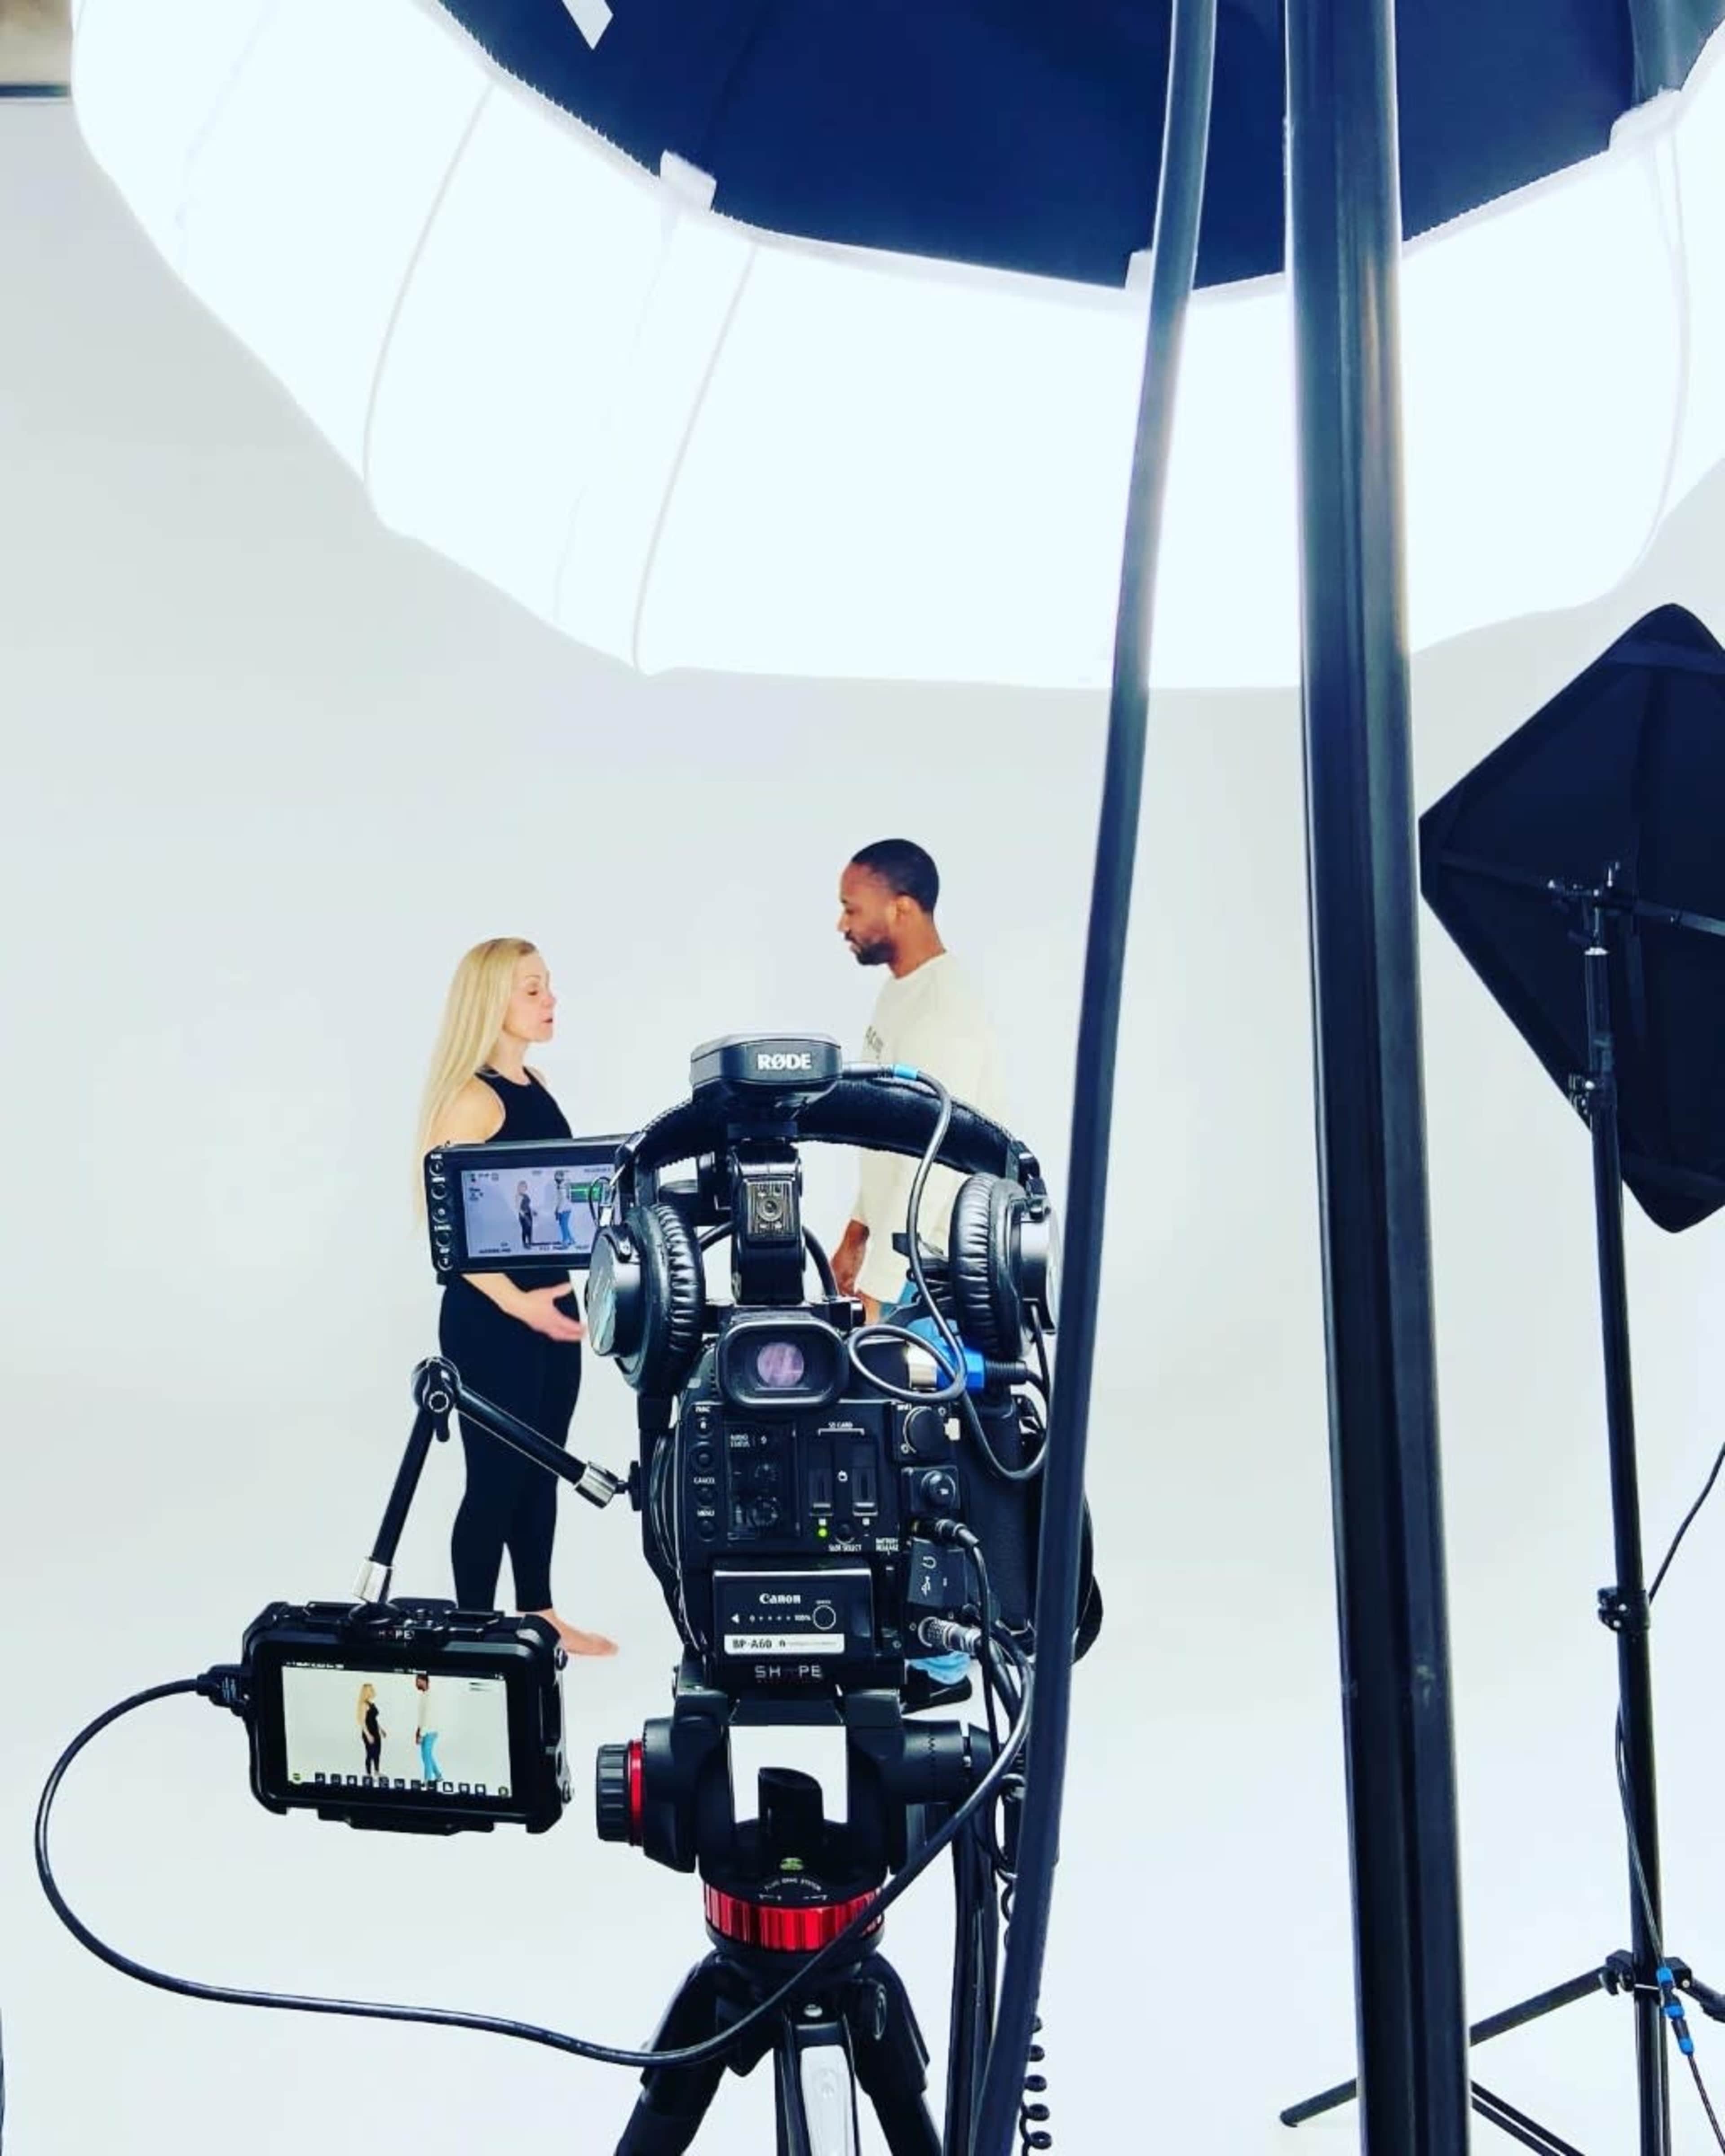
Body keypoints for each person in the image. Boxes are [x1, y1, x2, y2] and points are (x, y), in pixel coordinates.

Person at [416, 937, 618, 1659]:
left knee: (544, 1469)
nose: (551, 1001)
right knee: (495, 1480)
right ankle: (474, 1631)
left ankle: (540, 1612)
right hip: (492, 1322)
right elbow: (449, 1231)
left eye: (549, 987)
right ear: (492, 1002)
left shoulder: (534, 1084)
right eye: (533, 990)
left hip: (552, 1311)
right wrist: (520, 1304)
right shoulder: (472, 1098)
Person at [831, 840, 1004, 1320]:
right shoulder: (900, 991)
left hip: (930, 1274)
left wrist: (879, 1292)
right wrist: (855, 1236)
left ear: (900, 909)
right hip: (900, 1263)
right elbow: (886, 1136)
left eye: (852, 910)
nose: (842, 925)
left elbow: (933, 1164)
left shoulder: (945, 1011)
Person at [412, 1673, 442, 1785]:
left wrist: (422, 1734)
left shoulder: (430, 1696)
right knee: (427, 1755)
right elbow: (421, 1716)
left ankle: (428, 1781)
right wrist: (418, 1731)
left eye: (418, 1681)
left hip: (430, 1731)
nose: (416, 1684)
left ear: (424, 1681)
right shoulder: (424, 1695)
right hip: (425, 1730)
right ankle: (439, 1776)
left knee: (426, 1755)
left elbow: (428, 1717)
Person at [357, 1683, 385, 1782]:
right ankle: (368, 1775)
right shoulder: (363, 1705)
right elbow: (362, 1722)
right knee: (370, 1754)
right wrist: (368, 1735)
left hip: (376, 1731)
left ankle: (377, 1772)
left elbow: (374, 1719)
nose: (373, 1691)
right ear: (367, 1692)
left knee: (378, 1753)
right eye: (371, 1690)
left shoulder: (371, 1703)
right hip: (368, 1733)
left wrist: (381, 1730)